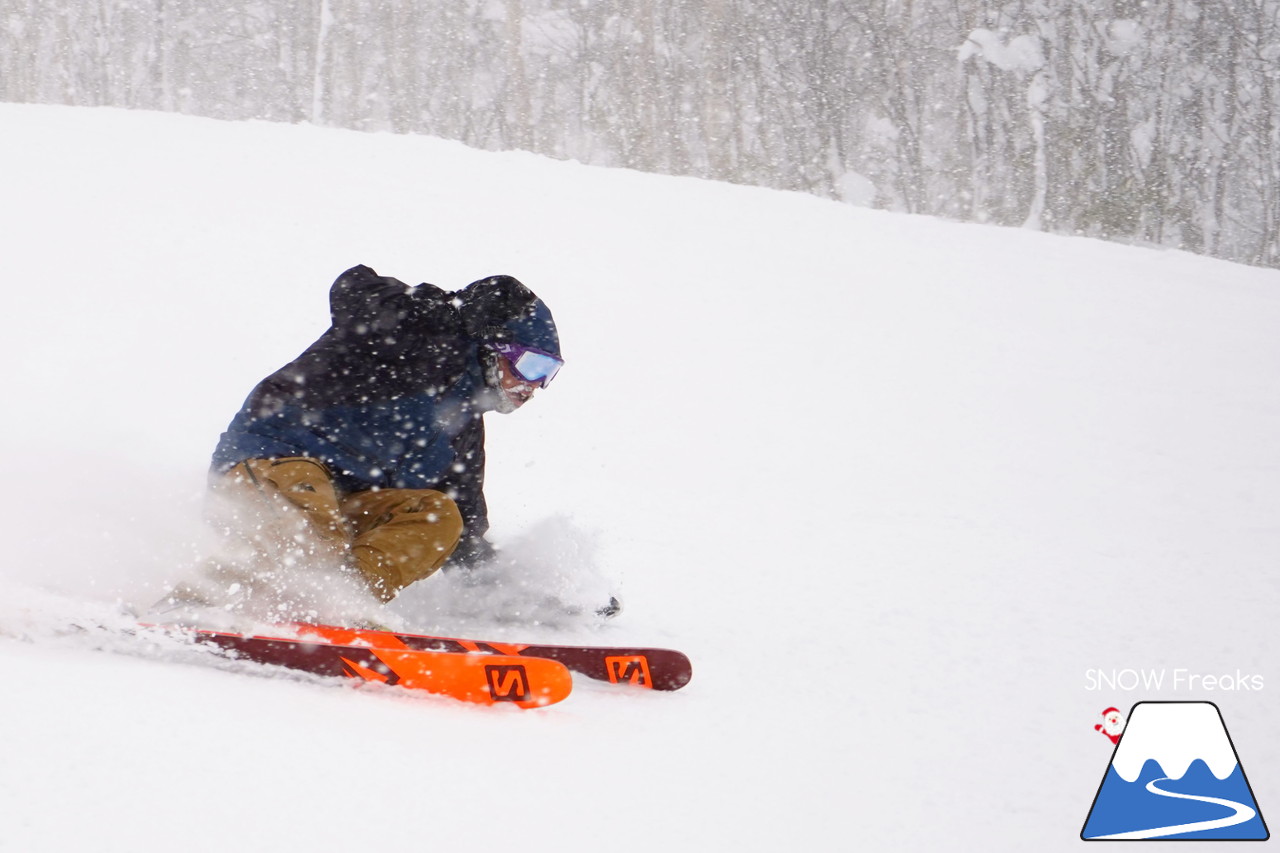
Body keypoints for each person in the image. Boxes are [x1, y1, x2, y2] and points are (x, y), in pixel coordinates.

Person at [172, 264, 563, 617]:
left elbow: (465, 535)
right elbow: (353, 290)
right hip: (272, 465)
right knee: (310, 531)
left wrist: (518, 597)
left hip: (342, 510)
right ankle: (193, 604)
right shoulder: (413, 340)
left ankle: (335, 606)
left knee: (440, 517)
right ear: (493, 347)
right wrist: (447, 315)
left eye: (548, 374)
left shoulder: (460, 428)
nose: (534, 386)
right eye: (532, 365)